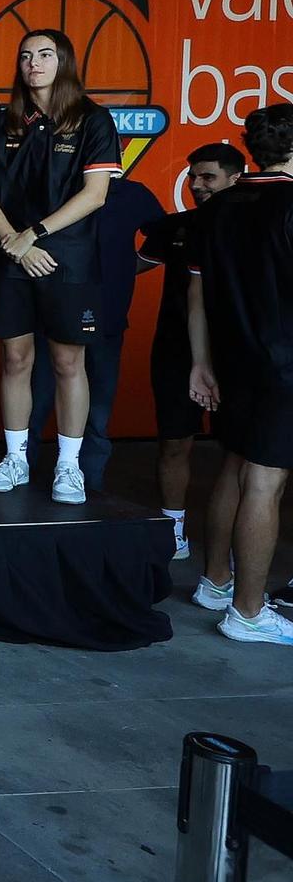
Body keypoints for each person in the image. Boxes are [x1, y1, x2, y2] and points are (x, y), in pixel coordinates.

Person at [0, 28, 122, 504]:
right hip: (12, 259)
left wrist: (33, 235)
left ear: (65, 61)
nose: (34, 63)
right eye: (26, 55)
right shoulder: (1, 119)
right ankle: (16, 458)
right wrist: (15, 244)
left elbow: (95, 196)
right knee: (15, 359)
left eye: (45, 54)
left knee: (68, 361)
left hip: (66, 261)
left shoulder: (92, 120)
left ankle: (68, 467)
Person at [185, 103, 293, 646]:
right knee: (264, 481)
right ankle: (248, 613)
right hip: (283, 365)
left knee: (233, 464)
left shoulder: (220, 208)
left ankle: (214, 582)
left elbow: (198, 292)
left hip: (233, 360)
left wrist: (202, 362)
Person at [25, 171, 163, 493]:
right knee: (35, 406)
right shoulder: (52, 185)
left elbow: (165, 236)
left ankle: (89, 488)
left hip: (108, 317)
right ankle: (20, 476)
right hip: (54, 317)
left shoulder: (132, 193)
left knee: (97, 416)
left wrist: (131, 265)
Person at [139, 143, 244, 556]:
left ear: (237, 177)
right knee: (174, 442)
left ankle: (235, 540)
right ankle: (173, 531)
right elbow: (130, 265)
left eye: (208, 177)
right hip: (175, 352)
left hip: (239, 355)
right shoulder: (174, 227)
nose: (198, 186)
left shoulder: (257, 228)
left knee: (240, 454)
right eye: (194, 177)